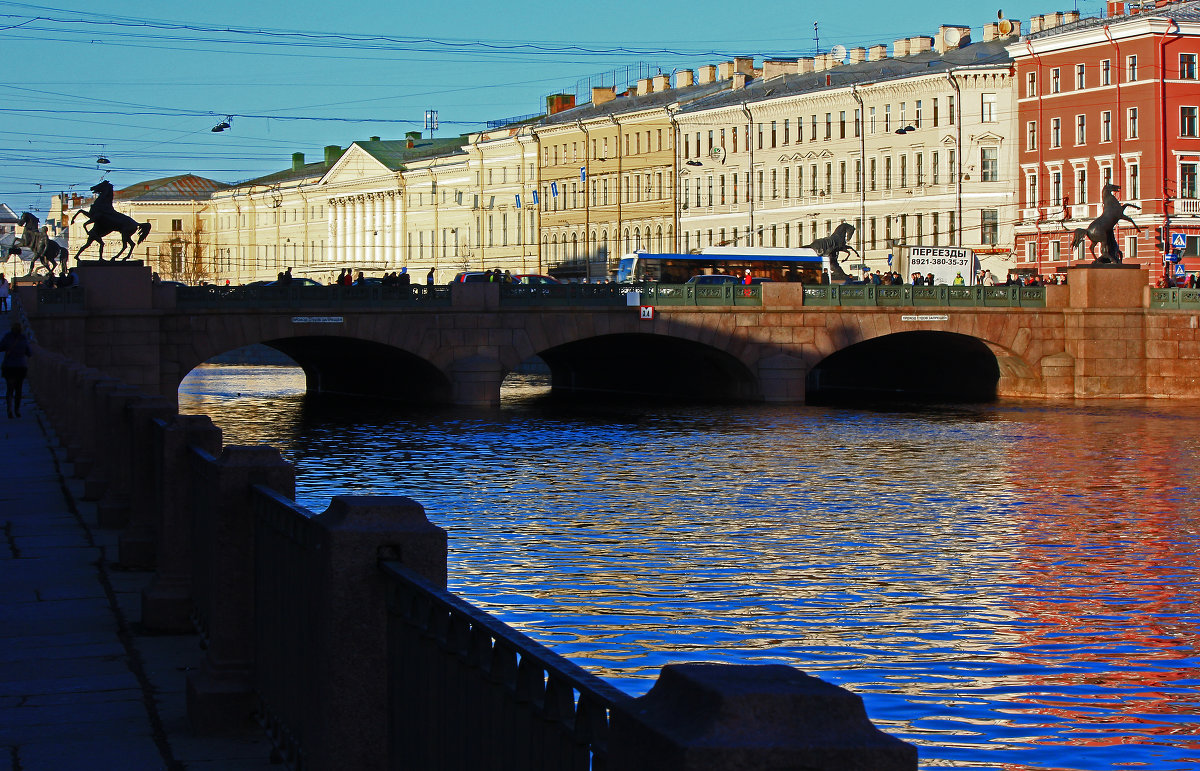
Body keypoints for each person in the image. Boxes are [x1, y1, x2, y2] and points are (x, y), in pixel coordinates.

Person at [1, 321, 32, 419]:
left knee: (9, 389)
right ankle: (17, 410)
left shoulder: (7, 337)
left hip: (9, 367)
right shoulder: (24, 338)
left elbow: (1, 347)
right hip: (20, 367)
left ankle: (9, 409)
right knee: (19, 389)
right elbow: (29, 353)